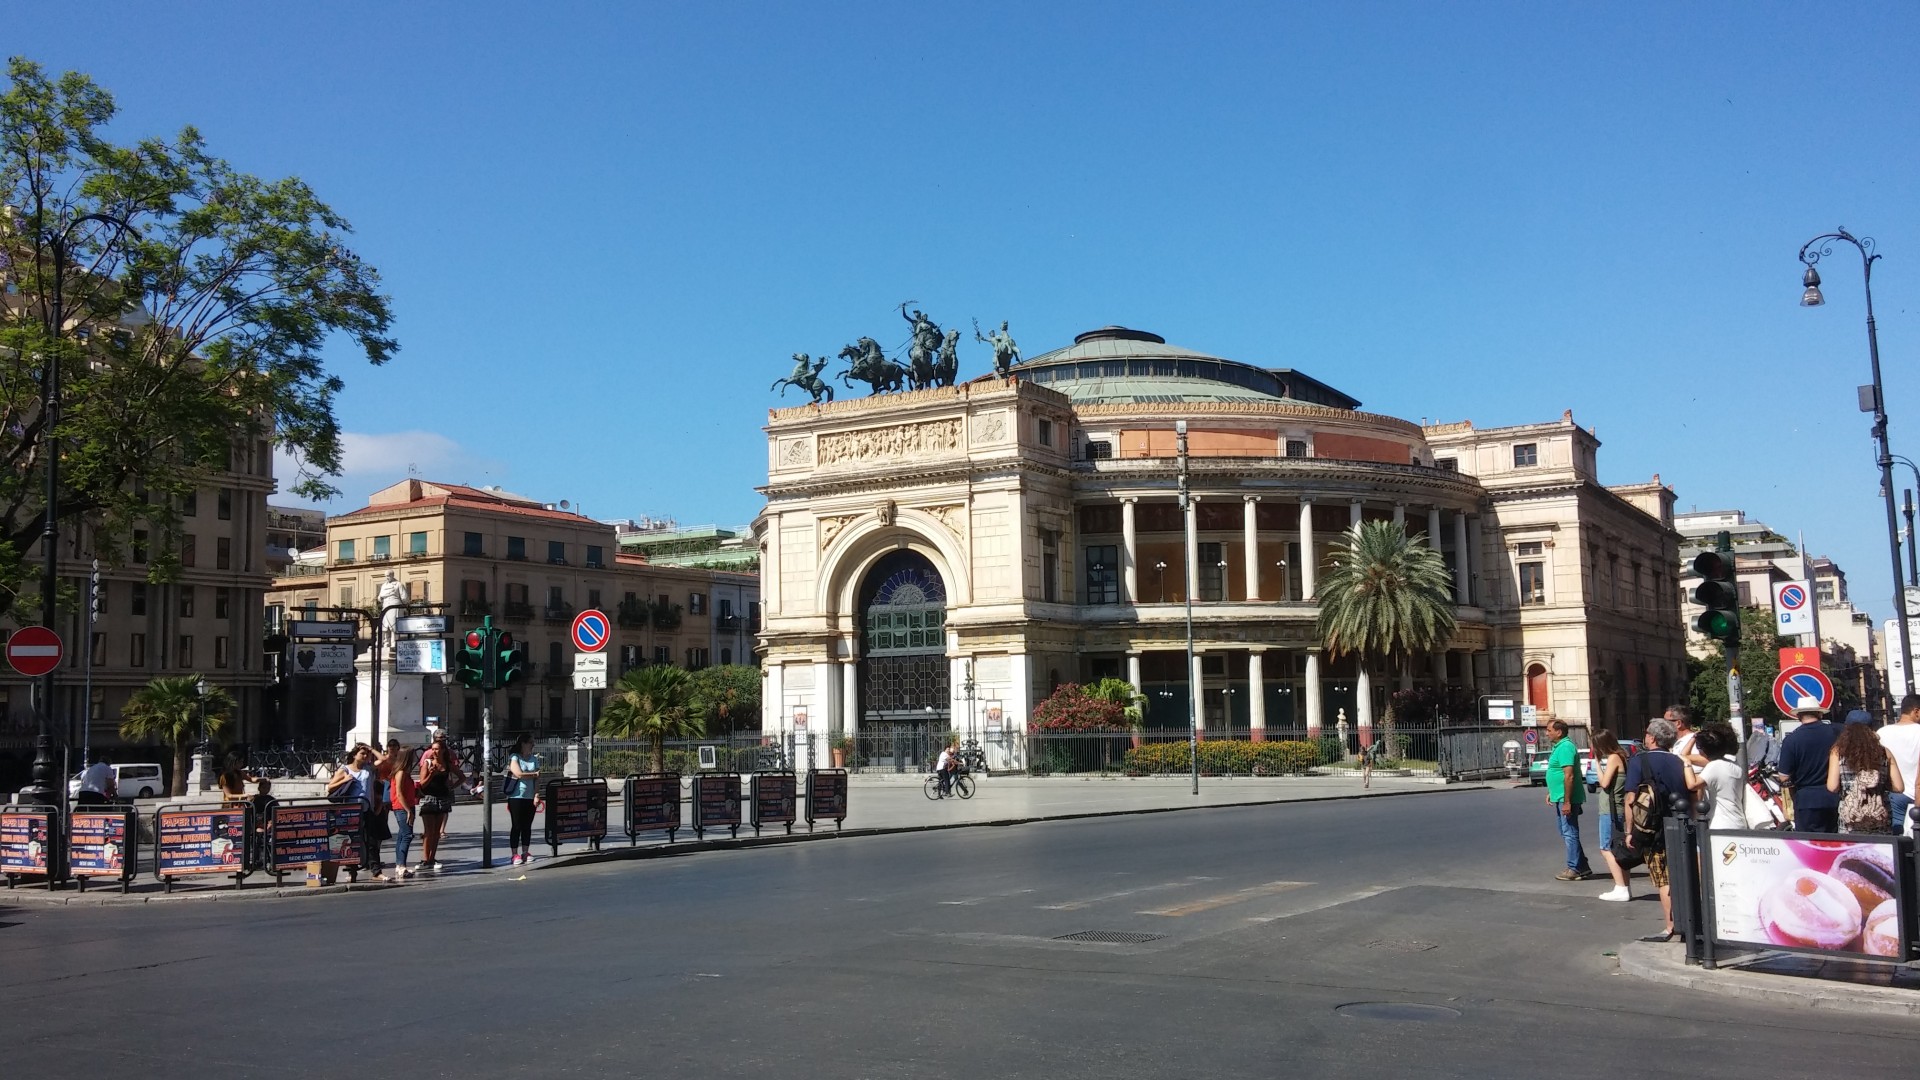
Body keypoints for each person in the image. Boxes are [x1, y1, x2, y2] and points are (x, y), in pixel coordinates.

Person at [1623, 719, 1688, 942]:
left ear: (1651, 738)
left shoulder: (1639, 761)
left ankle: (1671, 926)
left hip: (1654, 830)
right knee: (1683, 875)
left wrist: (1630, 830)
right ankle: (1688, 921)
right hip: (1681, 824)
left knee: (1664, 880)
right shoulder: (1679, 761)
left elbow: (1631, 798)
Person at [1828, 711, 1904, 833]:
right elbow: (1899, 787)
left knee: (1851, 850)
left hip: (1850, 817)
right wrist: (1881, 784)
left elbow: (1832, 787)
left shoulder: (1838, 752)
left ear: (1846, 728)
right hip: (1878, 814)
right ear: (1871, 729)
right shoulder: (1884, 753)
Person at [1777, 705, 1841, 832]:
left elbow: (1784, 777)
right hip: (1833, 797)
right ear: (1819, 714)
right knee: (1833, 843)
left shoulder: (1791, 740)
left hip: (1805, 800)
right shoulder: (1835, 733)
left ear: (1798, 716)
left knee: (1808, 845)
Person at [1543, 720, 1591, 881]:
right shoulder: (1559, 747)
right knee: (1565, 832)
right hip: (1560, 796)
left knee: (1569, 832)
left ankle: (1574, 868)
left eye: (1549, 730)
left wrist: (1567, 801)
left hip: (1567, 798)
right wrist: (1553, 792)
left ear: (1559, 732)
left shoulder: (1565, 748)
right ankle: (1582, 866)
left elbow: (1569, 775)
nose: (1546, 733)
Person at [327, 744, 385, 874]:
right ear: (354, 755)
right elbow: (330, 787)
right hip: (350, 810)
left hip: (366, 808)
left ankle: (376, 871)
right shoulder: (345, 769)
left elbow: (383, 759)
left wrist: (371, 749)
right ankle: (352, 871)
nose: (365, 756)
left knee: (371, 840)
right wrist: (344, 780)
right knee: (352, 840)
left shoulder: (368, 768)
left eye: (366, 754)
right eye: (362, 754)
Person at [1591, 729, 1632, 902]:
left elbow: (1604, 783)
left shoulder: (1614, 758)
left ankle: (1620, 887)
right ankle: (1625, 887)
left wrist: (1598, 765)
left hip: (1610, 809)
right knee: (1619, 848)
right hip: (1618, 808)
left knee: (1606, 848)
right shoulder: (1623, 756)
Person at [1687, 722, 1747, 831]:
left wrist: (1687, 764)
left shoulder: (1715, 766)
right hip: (1738, 821)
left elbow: (1692, 785)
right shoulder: (1734, 764)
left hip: (1721, 824)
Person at [415, 737, 463, 872]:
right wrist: (431, 774)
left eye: (437, 749)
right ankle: (425, 859)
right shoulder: (427, 763)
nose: (434, 751)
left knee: (436, 832)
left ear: (443, 750)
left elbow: (462, 776)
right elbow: (422, 784)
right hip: (428, 798)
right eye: (433, 749)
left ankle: (432, 858)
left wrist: (452, 786)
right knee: (428, 831)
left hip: (442, 798)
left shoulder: (447, 764)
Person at [1877, 694, 1920, 835]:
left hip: (1895, 792)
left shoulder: (1882, 733)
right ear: (1916, 711)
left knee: (1898, 836)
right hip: (1917, 791)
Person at [380, 740, 419, 879]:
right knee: (407, 835)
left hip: (405, 805)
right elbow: (399, 793)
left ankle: (399, 864)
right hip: (402, 807)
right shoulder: (401, 772)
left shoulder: (402, 771)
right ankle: (401, 865)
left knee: (403, 835)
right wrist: (408, 810)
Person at [506, 735, 541, 866]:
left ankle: (525, 851)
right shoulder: (515, 757)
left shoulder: (534, 759)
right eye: (531, 742)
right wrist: (534, 774)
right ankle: (514, 854)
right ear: (523, 743)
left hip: (530, 796)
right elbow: (518, 773)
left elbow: (538, 779)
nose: (533, 745)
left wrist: (537, 794)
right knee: (517, 825)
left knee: (527, 825)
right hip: (516, 796)